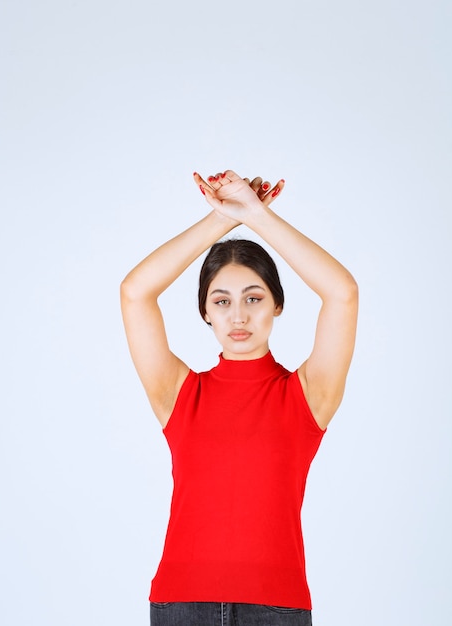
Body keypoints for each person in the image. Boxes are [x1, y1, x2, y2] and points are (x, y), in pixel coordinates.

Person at [120, 170, 358, 626]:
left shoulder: (308, 395)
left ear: (277, 305)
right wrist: (221, 220)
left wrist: (258, 216)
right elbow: (135, 293)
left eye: (253, 298)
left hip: (278, 607)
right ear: (205, 313)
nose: (239, 316)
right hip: (179, 604)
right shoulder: (179, 393)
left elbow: (342, 293)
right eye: (222, 301)